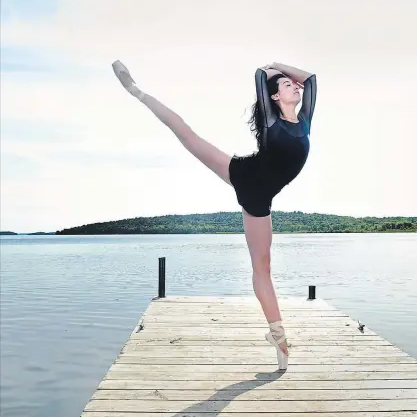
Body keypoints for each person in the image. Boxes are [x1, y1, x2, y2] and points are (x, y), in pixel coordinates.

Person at [112, 60, 317, 370]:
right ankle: (134, 90)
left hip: (260, 199)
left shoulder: (304, 121)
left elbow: (312, 79)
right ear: (274, 97)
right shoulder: (271, 123)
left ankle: (277, 336)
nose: (295, 86)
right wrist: (278, 69)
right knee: (186, 134)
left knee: (263, 268)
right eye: (288, 85)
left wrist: (291, 77)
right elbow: (261, 75)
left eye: (294, 85)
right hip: (243, 174)